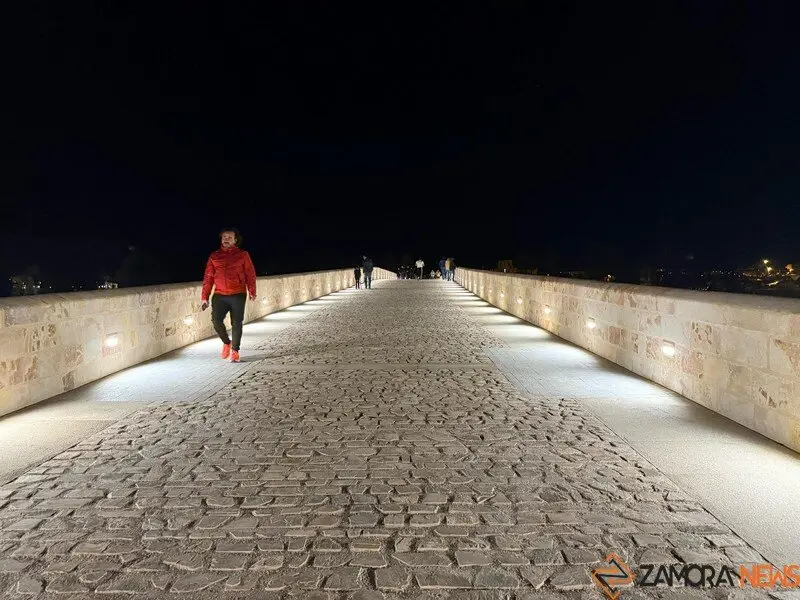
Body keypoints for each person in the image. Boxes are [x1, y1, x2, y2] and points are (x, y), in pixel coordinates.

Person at [201, 228, 256, 363]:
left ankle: (235, 351)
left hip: (238, 293)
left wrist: (252, 290)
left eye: (229, 237)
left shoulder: (243, 255)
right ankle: (227, 342)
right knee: (216, 321)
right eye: (224, 237)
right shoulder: (214, 256)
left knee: (237, 323)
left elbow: (250, 273)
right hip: (220, 294)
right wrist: (204, 297)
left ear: (235, 240)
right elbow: (208, 278)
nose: (226, 239)